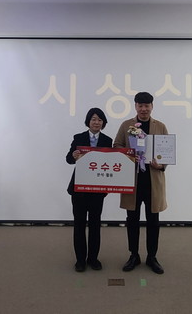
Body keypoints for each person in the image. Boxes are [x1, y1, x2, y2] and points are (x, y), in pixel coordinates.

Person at [113, 92, 169, 274]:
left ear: (152, 106)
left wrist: (161, 165)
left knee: (153, 221)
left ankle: (152, 257)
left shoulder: (160, 126)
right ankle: (134, 255)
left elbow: (167, 152)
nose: (144, 109)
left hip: (153, 181)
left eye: (147, 105)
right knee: (132, 220)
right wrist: (130, 155)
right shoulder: (126, 125)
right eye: (140, 105)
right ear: (135, 106)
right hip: (132, 181)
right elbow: (117, 146)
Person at [65, 107, 113, 272]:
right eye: (93, 119)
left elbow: (110, 163)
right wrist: (74, 156)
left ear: (103, 123)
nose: (96, 122)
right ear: (88, 121)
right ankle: (80, 260)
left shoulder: (107, 140)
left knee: (95, 224)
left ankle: (93, 258)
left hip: (97, 190)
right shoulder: (78, 138)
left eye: (99, 120)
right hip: (79, 189)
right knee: (79, 224)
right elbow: (68, 159)